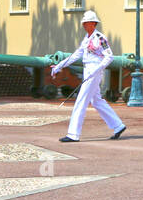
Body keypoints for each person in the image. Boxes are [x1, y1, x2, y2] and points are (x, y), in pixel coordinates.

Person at [49, 11, 126, 142]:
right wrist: (58, 66)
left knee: (81, 101)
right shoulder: (86, 38)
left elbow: (109, 56)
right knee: (96, 101)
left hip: (94, 71)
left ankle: (73, 134)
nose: (84, 25)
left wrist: (98, 69)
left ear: (93, 23)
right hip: (88, 70)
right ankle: (118, 126)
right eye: (83, 23)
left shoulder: (100, 38)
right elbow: (76, 55)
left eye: (87, 22)